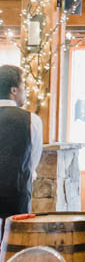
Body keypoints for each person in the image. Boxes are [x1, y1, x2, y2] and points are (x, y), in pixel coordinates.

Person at [0, 65, 43, 224]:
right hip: (17, 197)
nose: (25, 91)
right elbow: (32, 163)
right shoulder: (32, 120)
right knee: (14, 245)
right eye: (23, 86)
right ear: (13, 90)